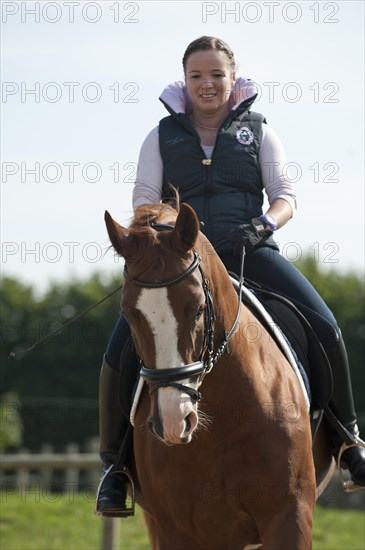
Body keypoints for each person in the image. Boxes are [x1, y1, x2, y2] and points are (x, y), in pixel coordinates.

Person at [97, 36, 365, 514]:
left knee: (326, 325)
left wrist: (262, 224)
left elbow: (286, 195)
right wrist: (161, 232)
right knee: (118, 349)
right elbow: (144, 196)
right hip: (180, 262)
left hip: (249, 250)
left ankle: (348, 442)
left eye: (216, 75)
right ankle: (114, 468)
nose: (207, 84)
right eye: (197, 76)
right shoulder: (160, 135)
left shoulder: (259, 130)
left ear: (232, 79)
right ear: (185, 81)